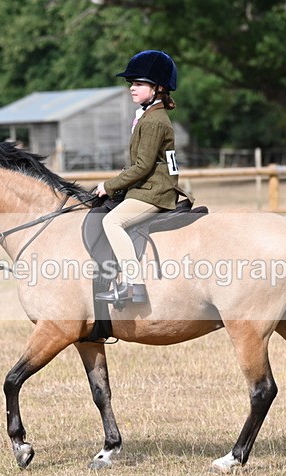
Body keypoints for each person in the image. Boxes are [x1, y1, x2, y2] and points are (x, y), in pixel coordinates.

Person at [94, 50, 180, 305]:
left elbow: (142, 166)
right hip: (149, 187)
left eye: (139, 83)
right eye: (132, 83)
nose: (132, 88)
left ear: (158, 88)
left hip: (155, 192)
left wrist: (109, 186)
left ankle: (132, 285)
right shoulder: (148, 117)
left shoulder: (153, 121)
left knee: (112, 222)